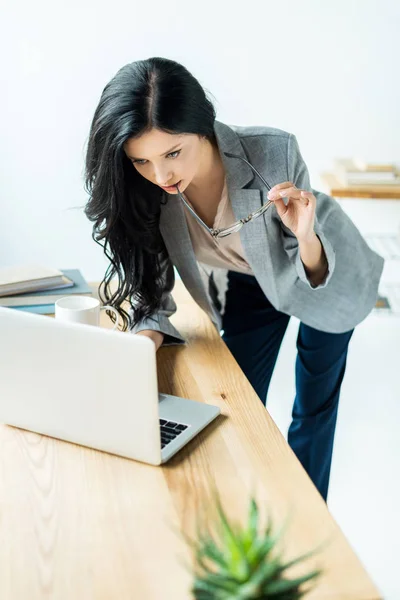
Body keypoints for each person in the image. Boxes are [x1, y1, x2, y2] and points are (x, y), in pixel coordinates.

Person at [84, 57, 384, 501]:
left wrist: (306, 236)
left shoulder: (272, 152)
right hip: (252, 278)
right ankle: (239, 511)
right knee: (236, 399)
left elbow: (307, 266)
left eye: (172, 153)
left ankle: (306, 515)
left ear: (202, 127)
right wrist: (139, 348)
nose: (161, 174)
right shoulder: (149, 190)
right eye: (142, 161)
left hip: (322, 267)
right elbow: (152, 290)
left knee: (313, 408)